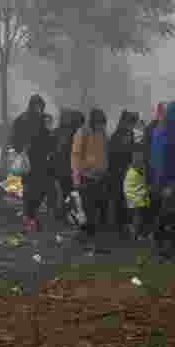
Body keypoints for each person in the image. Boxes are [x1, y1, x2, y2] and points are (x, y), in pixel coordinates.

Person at [10, 94, 54, 233]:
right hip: (29, 160)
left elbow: (48, 138)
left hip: (41, 160)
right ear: (31, 106)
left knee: (40, 189)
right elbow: (15, 139)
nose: (39, 109)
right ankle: (30, 218)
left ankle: (30, 216)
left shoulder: (44, 119)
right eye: (37, 106)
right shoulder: (22, 120)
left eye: (41, 106)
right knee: (30, 190)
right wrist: (21, 149)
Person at [151, 100, 175, 259]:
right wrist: (163, 182)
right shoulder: (162, 130)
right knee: (167, 213)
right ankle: (160, 242)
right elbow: (159, 158)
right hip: (167, 178)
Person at [72, 107, 110, 253]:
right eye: (100, 123)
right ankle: (88, 237)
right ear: (94, 122)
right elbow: (75, 156)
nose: (102, 126)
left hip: (100, 177)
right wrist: (76, 177)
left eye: (103, 124)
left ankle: (88, 236)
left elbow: (104, 152)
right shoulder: (82, 133)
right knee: (88, 209)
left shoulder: (102, 133)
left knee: (98, 208)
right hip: (86, 177)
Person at [108, 110, 138, 229]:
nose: (131, 126)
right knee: (119, 198)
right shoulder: (118, 135)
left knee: (123, 198)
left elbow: (129, 153)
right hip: (118, 171)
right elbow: (114, 154)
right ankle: (119, 223)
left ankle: (123, 222)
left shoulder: (128, 134)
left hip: (124, 170)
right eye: (130, 122)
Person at [51, 110, 83, 220]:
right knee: (68, 192)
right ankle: (64, 214)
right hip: (67, 168)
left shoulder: (59, 131)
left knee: (65, 193)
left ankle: (62, 213)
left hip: (62, 168)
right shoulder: (73, 133)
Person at [124, 146, 151, 240]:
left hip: (136, 194)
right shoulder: (137, 167)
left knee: (137, 214)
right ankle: (135, 232)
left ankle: (135, 232)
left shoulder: (137, 166)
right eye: (137, 156)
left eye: (140, 155)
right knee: (137, 214)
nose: (139, 157)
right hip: (135, 194)